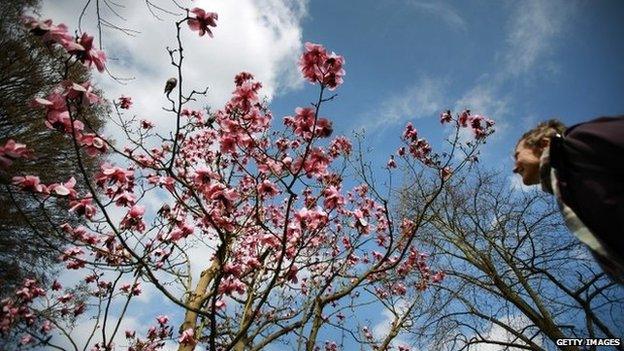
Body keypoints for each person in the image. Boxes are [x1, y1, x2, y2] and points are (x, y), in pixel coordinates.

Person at [513, 116, 624, 283]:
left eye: (517, 155)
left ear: (543, 144)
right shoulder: (566, 187)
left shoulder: (578, 141)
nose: (514, 168)